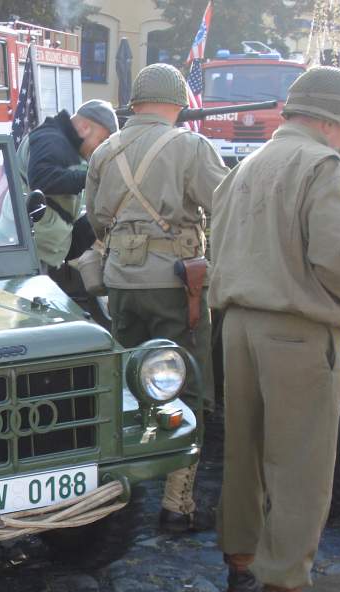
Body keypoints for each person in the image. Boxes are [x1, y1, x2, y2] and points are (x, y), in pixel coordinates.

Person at [209, 66, 340, 592]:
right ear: (334, 119)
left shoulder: (244, 167)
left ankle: (239, 573)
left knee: (244, 456)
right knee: (300, 471)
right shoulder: (325, 168)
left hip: (237, 327)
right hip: (297, 333)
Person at [85, 63, 228, 534]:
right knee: (184, 386)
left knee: (128, 387)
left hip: (121, 286)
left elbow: (95, 218)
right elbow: (224, 206)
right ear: (177, 103)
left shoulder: (106, 149)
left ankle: (122, 498)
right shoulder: (190, 146)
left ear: (135, 102)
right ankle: (176, 505)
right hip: (176, 287)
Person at [22, 99, 119, 274]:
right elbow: (40, 178)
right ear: (84, 128)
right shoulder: (50, 139)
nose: (103, 150)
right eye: (103, 141)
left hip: (44, 251)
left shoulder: (65, 145)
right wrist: (93, 177)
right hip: (27, 254)